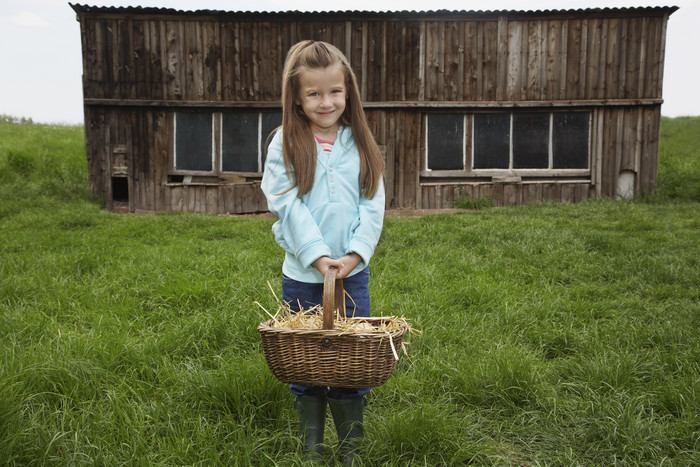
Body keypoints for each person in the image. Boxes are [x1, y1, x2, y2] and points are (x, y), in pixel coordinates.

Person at [260, 40, 385, 465]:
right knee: (305, 366)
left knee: (351, 365)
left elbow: (373, 203)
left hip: (352, 277)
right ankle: (312, 451)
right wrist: (317, 256)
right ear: (296, 96)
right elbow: (286, 203)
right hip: (302, 277)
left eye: (335, 91)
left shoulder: (360, 141)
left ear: (348, 91)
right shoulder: (284, 142)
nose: (326, 101)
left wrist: (354, 254)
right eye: (313, 93)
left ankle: (351, 451)